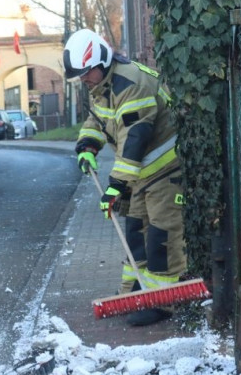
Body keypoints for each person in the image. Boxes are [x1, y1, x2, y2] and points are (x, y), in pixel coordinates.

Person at [63, 28, 186, 327]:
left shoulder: (131, 82)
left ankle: (163, 301)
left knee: (160, 233)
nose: (84, 79)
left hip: (164, 166)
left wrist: (115, 185)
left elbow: (135, 138)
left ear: (102, 60)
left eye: (86, 73)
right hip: (143, 172)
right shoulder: (104, 85)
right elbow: (98, 119)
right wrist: (87, 145)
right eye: (80, 74)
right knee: (135, 230)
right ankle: (135, 290)